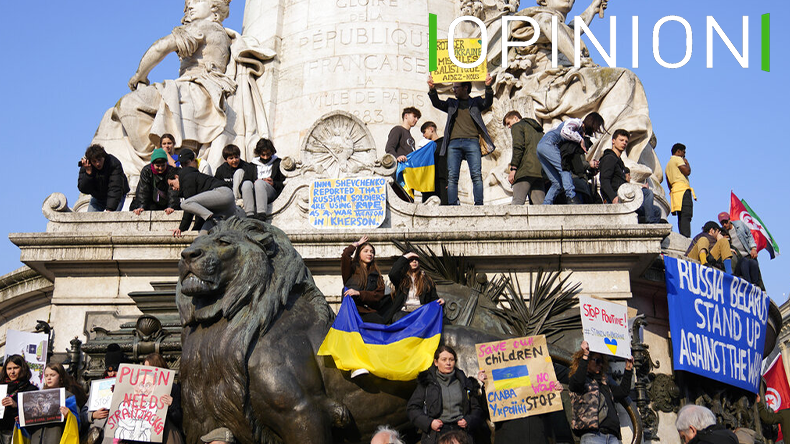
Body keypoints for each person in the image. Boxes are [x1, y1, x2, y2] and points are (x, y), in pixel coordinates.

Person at [90, 0, 274, 178]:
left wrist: (139, 75)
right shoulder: (219, 32)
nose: (190, 6)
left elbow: (162, 47)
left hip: (195, 88)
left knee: (128, 104)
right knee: (120, 110)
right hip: (192, 87)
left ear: (215, 7)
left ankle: (150, 162)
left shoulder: (205, 26)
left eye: (197, 0)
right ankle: (153, 162)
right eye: (187, 4)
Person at [428, 74, 495, 206]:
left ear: (465, 88)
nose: (454, 90)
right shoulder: (451, 103)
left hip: (472, 142)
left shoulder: (476, 102)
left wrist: (488, 87)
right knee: (452, 177)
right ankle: (452, 205)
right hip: (454, 144)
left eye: (456, 87)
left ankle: (479, 204)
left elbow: (488, 102)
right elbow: (436, 103)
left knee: (476, 175)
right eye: (453, 87)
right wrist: (432, 89)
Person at [407, 345, 483, 444]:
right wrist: (429, 423)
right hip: (436, 433)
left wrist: (468, 420)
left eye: (451, 359)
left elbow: (476, 409)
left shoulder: (465, 382)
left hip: (460, 433)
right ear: (436, 362)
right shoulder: (427, 382)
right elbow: (412, 408)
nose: (448, 363)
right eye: (444, 359)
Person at [568, 340, 633, 444]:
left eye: (602, 362)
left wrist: (628, 369)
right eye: (597, 361)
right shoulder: (580, 381)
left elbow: (622, 392)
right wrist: (585, 355)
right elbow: (578, 380)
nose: (600, 364)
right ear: (588, 360)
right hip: (593, 435)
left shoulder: (604, 383)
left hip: (612, 436)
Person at [169, 149, 243, 237]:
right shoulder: (192, 176)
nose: (173, 188)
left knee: (185, 203)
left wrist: (181, 228)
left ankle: (213, 218)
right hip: (224, 209)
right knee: (202, 237)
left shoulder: (187, 177)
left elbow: (188, 207)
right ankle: (214, 220)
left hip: (223, 193)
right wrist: (195, 228)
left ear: (177, 177)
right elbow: (199, 209)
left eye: (172, 184)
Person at [537, 113, 604, 205]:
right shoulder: (576, 122)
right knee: (564, 169)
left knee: (557, 183)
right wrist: (580, 140)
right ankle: (571, 196)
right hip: (549, 144)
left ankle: (546, 204)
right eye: (594, 128)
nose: (593, 131)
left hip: (541, 147)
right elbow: (565, 131)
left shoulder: (578, 130)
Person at [599, 130, 661, 223]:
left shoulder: (619, 162)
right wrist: (613, 197)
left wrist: (639, 187)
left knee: (656, 211)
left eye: (626, 141)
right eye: (621, 140)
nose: (624, 143)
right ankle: (650, 225)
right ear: (613, 141)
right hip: (617, 196)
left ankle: (646, 225)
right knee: (648, 193)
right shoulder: (609, 158)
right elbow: (604, 180)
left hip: (625, 196)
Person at [26, 363, 85, 444]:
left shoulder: (67, 396)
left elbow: (77, 424)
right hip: (36, 439)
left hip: (56, 439)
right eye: (46, 376)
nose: (49, 378)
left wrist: (68, 415)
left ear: (60, 377)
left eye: (52, 375)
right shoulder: (37, 396)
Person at [341, 236, 389, 324]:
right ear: (359, 253)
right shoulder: (352, 269)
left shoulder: (377, 275)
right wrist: (357, 244)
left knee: (379, 322)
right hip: (351, 310)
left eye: (372, 252)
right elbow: (345, 255)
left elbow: (378, 295)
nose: (370, 254)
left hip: (368, 311)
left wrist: (359, 293)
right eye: (366, 251)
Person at [503, 110, 546, 205]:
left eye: (508, 123)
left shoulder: (517, 126)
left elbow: (518, 147)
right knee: (540, 206)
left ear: (515, 118)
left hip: (525, 171)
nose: (509, 126)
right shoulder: (538, 130)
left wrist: (513, 169)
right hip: (539, 171)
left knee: (517, 203)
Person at [388, 251, 444, 322]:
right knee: (401, 320)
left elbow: (433, 297)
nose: (414, 261)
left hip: (421, 310)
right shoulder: (401, 279)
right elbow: (392, 273)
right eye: (411, 260)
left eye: (416, 259)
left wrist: (440, 300)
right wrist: (406, 256)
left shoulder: (426, 279)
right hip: (404, 311)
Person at [140, 353, 184, 444]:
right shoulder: (141, 388)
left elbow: (178, 418)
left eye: (149, 369)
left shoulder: (173, 388)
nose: (147, 372)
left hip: (165, 435)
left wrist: (172, 405)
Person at [78, 144, 130, 212]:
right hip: (98, 197)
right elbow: (84, 189)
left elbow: (115, 187)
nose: (97, 163)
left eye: (99, 160)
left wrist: (110, 208)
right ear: (90, 161)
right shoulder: (87, 167)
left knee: (111, 219)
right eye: (94, 161)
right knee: (91, 220)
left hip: (117, 195)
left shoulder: (113, 163)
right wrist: (88, 173)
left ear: (104, 157)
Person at [1, 355, 38, 444]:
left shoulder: (31, 389)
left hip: (19, 435)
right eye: (9, 369)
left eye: (16, 368)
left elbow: (36, 414)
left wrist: (16, 405)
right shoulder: (1, 387)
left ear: (23, 368)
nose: (12, 372)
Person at [718, 212, 763, 287]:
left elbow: (749, 235)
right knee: (744, 262)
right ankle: (748, 285)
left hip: (748, 254)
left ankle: (757, 287)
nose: (724, 225)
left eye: (726, 222)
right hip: (738, 259)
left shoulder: (739, 225)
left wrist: (753, 248)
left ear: (729, 220)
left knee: (754, 264)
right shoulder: (722, 233)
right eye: (722, 223)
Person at [130, 148, 180, 215]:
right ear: (153, 164)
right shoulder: (146, 171)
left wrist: (171, 206)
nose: (160, 168)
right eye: (157, 166)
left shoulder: (171, 171)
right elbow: (143, 190)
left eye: (163, 165)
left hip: (166, 202)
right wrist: (141, 207)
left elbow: (173, 191)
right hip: (151, 202)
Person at [214, 144, 258, 218]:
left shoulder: (247, 167)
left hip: (243, 197)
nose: (234, 160)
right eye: (231, 158)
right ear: (226, 159)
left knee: (239, 172)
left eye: (236, 157)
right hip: (228, 197)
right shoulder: (221, 170)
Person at [250, 139, 286, 219]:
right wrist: (255, 182)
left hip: (271, 192)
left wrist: (273, 183)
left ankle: (261, 214)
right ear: (259, 154)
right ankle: (249, 214)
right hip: (255, 192)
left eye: (268, 154)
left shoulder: (278, 163)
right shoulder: (252, 165)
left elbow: (284, 182)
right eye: (263, 155)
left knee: (260, 183)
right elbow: (244, 183)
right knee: (250, 184)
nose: (266, 157)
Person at [665, 144, 695, 237]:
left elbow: (668, 183)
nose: (684, 155)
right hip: (683, 190)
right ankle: (686, 237)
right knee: (686, 214)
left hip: (675, 192)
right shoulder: (678, 159)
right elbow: (687, 172)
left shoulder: (668, 165)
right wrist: (687, 164)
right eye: (683, 152)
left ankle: (683, 235)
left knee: (681, 216)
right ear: (678, 151)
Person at [417, 122, 448, 204]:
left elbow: (449, 163)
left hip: (442, 181)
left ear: (431, 129)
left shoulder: (444, 143)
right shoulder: (426, 146)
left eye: (424, 132)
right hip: (428, 183)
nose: (424, 135)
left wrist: (449, 181)